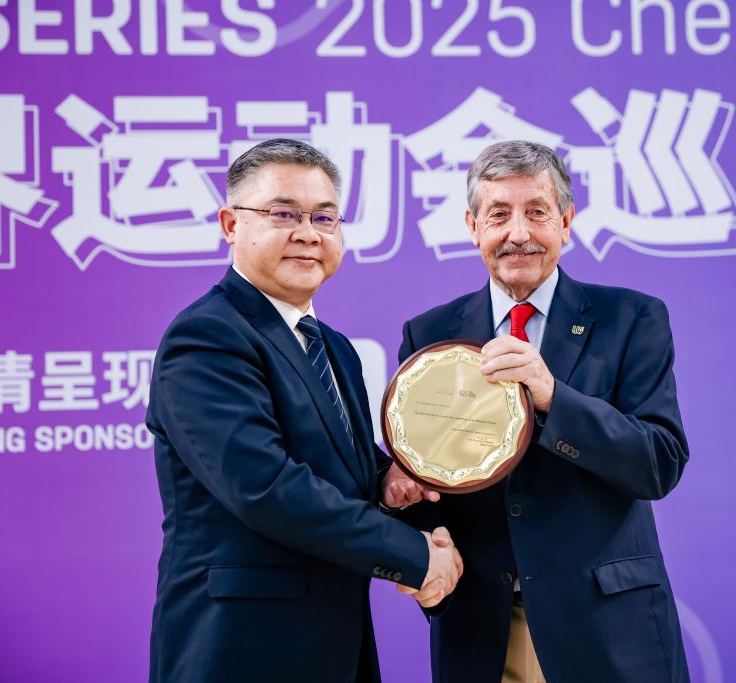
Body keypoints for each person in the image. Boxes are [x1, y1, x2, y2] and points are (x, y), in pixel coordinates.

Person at [146, 138, 462, 682]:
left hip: (334, 643)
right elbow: (265, 486)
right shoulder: (207, 336)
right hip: (241, 648)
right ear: (231, 224)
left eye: (324, 217)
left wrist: (386, 482)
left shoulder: (332, 346)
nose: (309, 233)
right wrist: (413, 556)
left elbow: (335, 467)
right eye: (283, 214)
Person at [382, 140, 690, 682]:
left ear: (566, 223)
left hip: (606, 627)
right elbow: (431, 475)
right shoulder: (430, 335)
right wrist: (412, 514)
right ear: (473, 227)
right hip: (480, 628)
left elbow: (657, 462)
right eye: (498, 215)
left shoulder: (631, 318)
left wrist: (552, 396)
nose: (518, 233)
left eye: (537, 212)